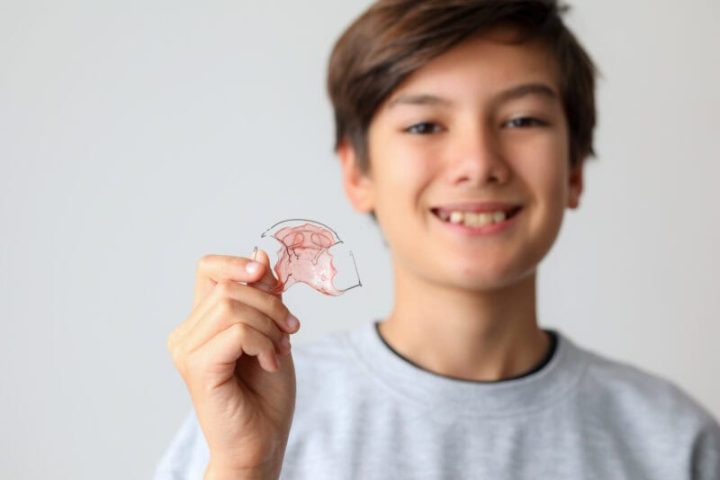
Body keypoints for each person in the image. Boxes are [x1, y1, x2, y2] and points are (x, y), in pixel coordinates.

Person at [155, 1, 720, 479]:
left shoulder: (673, 441)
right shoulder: (248, 418)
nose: (478, 164)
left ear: (574, 169)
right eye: (424, 126)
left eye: (523, 120)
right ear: (358, 174)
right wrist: (246, 465)